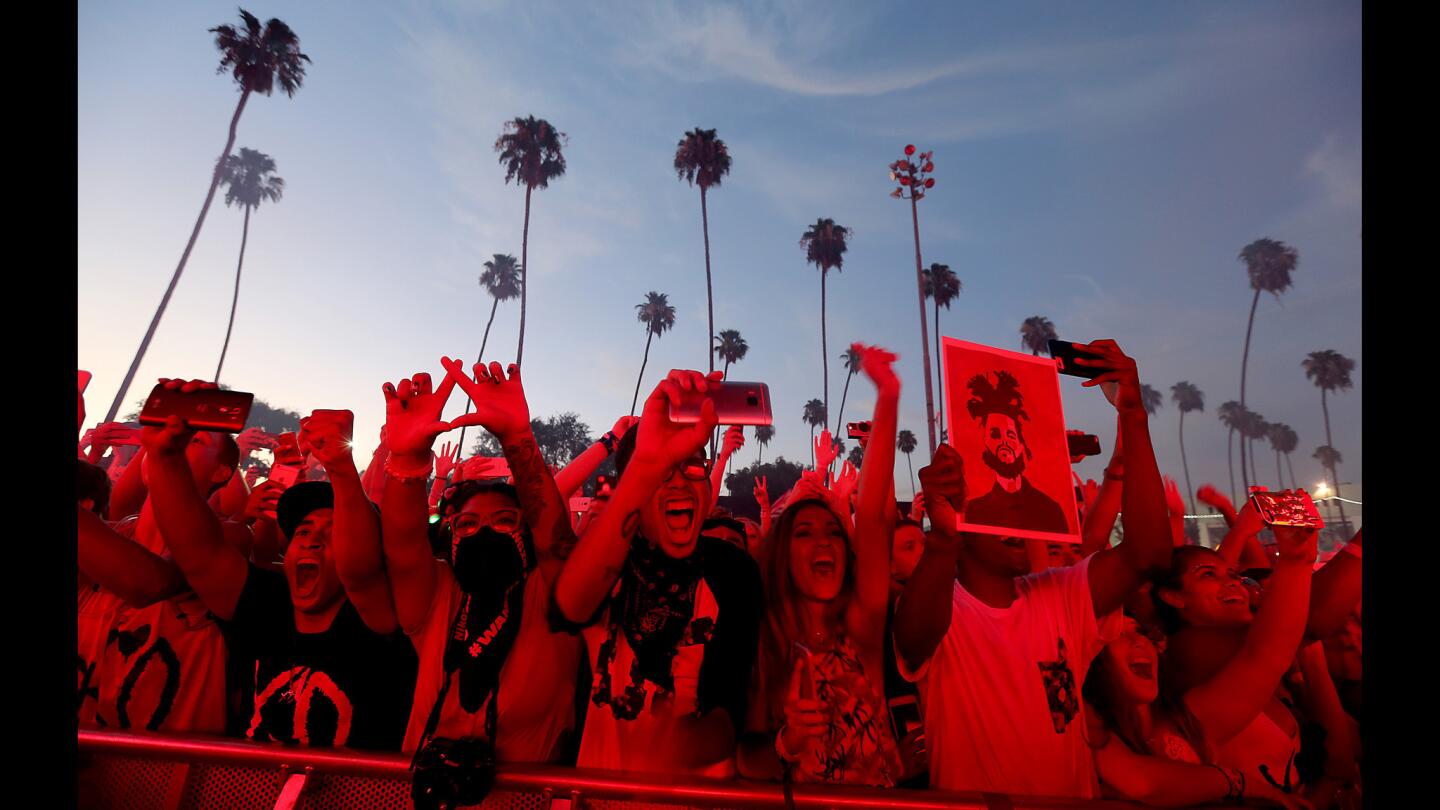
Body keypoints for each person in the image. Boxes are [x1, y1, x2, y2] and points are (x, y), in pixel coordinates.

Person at [893, 339, 1173, 798]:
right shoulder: (940, 609)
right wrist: (941, 538)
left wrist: (1133, 415)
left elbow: (1150, 556)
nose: (1013, 521)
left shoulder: (1063, 593)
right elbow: (913, 633)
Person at [146, 379, 417, 750]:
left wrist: (340, 466)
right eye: (303, 530)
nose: (312, 539)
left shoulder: (382, 620)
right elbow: (197, 550)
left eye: (333, 531)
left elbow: (361, 572)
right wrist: (164, 457)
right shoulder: (267, 606)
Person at [553, 369, 763, 776]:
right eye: (661, 469)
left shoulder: (732, 568)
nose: (680, 483)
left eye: (692, 465)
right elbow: (572, 605)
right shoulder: (610, 562)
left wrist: (673, 748)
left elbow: (728, 710)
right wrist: (643, 463)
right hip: (600, 800)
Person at [375, 360, 584, 763]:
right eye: (467, 524)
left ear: (526, 531)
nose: (483, 533)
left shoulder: (552, 596)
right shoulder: (439, 598)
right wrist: (406, 458)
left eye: (504, 521)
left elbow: (557, 544)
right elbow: (401, 548)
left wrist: (518, 437)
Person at [736, 345, 901, 786]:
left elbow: (869, 518)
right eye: (804, 534)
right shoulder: (767, 643)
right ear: (781, 556)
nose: (824, 541)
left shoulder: (861, 626)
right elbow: (746, 762)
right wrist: (787, 743)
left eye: (831, 531)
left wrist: (887, 396)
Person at [1082, 515, 1322, 807]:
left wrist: (1298, 561)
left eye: (1140, 632)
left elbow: (1268, 657)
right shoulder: (1092, 740)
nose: (1138, 642)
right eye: (1118, 636)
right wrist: (1240, 784)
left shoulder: (1189, 721)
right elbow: (1145, 785)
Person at [77, 406, 245, 735]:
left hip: (165, 773)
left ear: (221, 472)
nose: (172, 443)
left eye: (192, 441)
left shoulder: (230, 537)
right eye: (162, 438)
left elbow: (147, 583)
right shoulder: (114, 532)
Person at [960, 369, 1070, 535]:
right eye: (995, 434)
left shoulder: (1049, 509)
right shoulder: (975, 511)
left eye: (1010, 434)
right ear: (985, 442)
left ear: (1021, 443)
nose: (1004, 441)